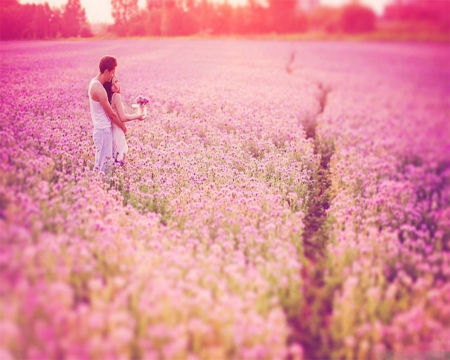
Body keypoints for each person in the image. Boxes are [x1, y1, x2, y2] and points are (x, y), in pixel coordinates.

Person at [88, 55, 126, 174]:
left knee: (100, 163)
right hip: (104, 131)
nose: (113, 76)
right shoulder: (99, 90)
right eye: (112, 73)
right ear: (106, 71)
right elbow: (112, 114)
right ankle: (100, 188)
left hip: (101, 130)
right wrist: (123, 127)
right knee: (105, 166)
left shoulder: (93, 82)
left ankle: (97, 188)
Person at [103, 76, 146, 164]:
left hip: (112, 131)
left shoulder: (108, 98)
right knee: (121, 160)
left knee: (115, 160)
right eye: (112, 85)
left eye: (116, 81)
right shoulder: (116, 96)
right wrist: (137, 116)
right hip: (118, 131)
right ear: (108, 87)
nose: (115, 85)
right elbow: (123, 117)